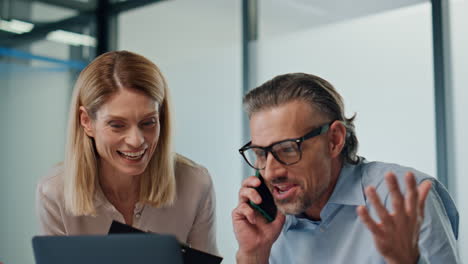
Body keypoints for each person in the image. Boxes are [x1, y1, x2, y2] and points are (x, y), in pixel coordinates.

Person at [232, 73, 459, 263]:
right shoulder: (268, 225)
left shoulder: (403, 199)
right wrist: (253, 255)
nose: (271, 173)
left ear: (334, 140)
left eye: (288, 149)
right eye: (261, 154)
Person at [36, 50, 218, 255]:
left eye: (148, 122)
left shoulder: (195, 183)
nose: (136, 140)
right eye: (117, 125)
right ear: (86, 122)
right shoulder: (55, 192)